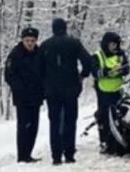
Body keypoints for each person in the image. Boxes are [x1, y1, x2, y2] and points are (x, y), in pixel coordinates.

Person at [38, 18, 91, 165]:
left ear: (53, 29)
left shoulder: (45, 45)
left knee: (54, 122)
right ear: (65, 28)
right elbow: (88, 61)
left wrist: (45, 83)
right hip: (71, 88)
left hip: (52, 90)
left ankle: (56, 156)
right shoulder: (74, 43)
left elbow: (39, 68)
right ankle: (69, 154)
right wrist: (82, 75)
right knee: (70, 121)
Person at [4, 26, 43, 164]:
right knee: (23, 127)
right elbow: (9, 75)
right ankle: (22, 156)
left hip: (36, 97)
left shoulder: (39, 53)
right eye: (27, 40)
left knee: (34, 126)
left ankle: (29, 153)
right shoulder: (15, 54)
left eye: (32, 41)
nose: (30, 43)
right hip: (22, 98)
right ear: (22, 40)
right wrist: (21, 89)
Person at [92, 31, 130, 154]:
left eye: (116, 44)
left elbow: (127, 68)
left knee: (119, 118)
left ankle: (118, 144)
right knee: (104, 118)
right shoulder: (98, 55)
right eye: (112, 44)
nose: (114, 47)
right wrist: (107, 72)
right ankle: (104, 142)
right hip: (103, 91)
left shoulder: (121, 54)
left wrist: (120, 71)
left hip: (118, 91)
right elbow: (95, 71)